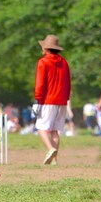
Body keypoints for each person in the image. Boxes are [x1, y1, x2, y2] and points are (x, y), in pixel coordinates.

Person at [32, 34, 72, 165]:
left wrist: (37, 99)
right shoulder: (64, 62)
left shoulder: (43, 62)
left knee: (41, 128)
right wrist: (66, 98)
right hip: (62, 101)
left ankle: (50, 149)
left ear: (46, 49)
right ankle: (54, 160)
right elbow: (68, 82)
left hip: (47, 100)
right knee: (55, 130)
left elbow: (40, 83)